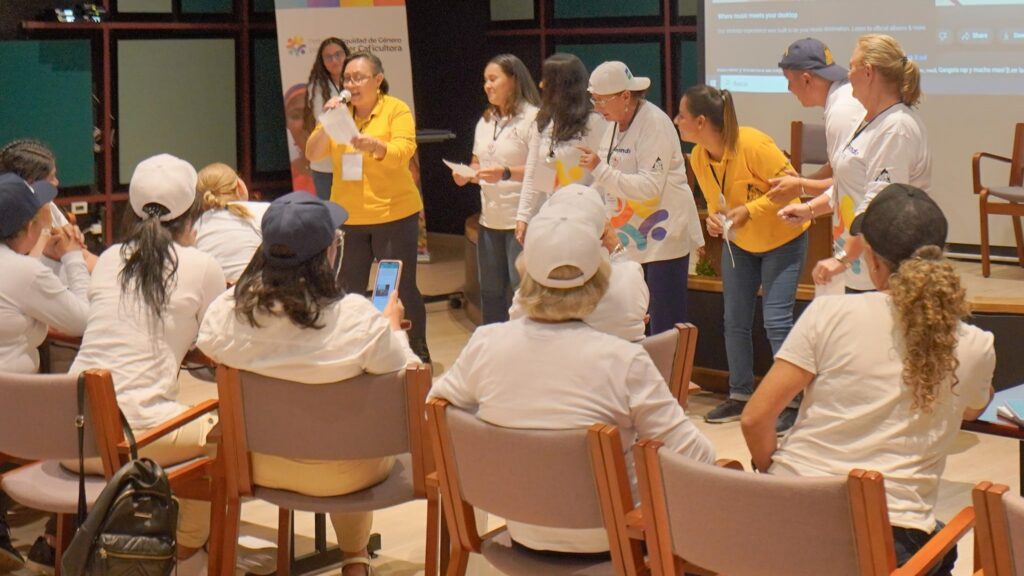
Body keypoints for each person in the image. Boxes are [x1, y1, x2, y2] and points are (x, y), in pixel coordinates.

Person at [429, 198, 714, 554]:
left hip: (520, 531)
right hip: (616, 540)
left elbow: (437, 409)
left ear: (524, 276)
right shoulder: (624, 361)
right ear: (601, 282)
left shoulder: (485, 344)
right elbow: (698, 456)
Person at [742, 184, 995, 576]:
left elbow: (755, 418)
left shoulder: (828, 314)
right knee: (942, 544)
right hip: (887, 534)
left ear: (873, 261)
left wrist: (773, 472)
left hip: (784, 514)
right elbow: (974, 408)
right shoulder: (974, 344)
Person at [198, 192, 418, 576]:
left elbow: (208, 345)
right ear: (329, 254)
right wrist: (394, 330)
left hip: (257, 465)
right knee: (357, 429)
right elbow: (408, 380)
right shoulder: (358, 320)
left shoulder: (227, 313)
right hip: (347, 474)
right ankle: (355, 559)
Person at [69, 154, 226, 563]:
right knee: (225, 436)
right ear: (192, 213)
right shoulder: (202, 265)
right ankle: (186, 554)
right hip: (128, 439)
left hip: (69, 435)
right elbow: (218, 341)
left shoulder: (108, 258)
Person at [676, 85, 808, 431]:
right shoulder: (698, 157)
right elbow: (717, 203)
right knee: (734, 320)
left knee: (776, 320)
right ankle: (740, 394)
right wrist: (714, 220)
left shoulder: (754, 145)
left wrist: (750, 210)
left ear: (701, 122)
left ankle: (793, 401)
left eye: (682, 115)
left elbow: (794, 188)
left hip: (783, 239)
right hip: (740, 245)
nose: (676, 121)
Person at [779, 34, 930, 292]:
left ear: (868, 73)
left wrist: (843, 259)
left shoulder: (895, 128)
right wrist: (811, 209)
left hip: (887, 273)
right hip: (861, 270)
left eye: (851, 67)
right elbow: (851, 184)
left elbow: (880, 206)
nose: (847, 76)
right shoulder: (871, 122)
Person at [306, 51, 430, 362]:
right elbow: (312, 153)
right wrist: (326, 121)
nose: (351, 84)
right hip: (349, 218)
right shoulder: (339, 113)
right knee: (348, 290)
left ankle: (415, 351)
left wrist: (375, 146)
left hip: (394, 213)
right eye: (347, 79)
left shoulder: (395, 109)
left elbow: (404, 150)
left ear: (378, 80)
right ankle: (355, 351)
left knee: (399, 288)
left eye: (358, 78)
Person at [0, 173, 89, 572]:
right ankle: (61, 541)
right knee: (92, 423)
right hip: (12, 414)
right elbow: (83, 319)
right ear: (28, 228)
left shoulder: (21, 268)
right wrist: (71, 257)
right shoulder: (24, 273)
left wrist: (45, 260)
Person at [578, 61, 704, 333]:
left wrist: (599, 169)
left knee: (665, 324)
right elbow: (606, 179)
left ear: (625, 96)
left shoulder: (654, 123)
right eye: (594, 100)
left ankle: (671, 365)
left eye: (601, 100)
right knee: (633, 320)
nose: (597, 108)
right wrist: (581, 201)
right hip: (629, 235)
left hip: (663, 236)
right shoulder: (613, 125)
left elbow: (649, 187)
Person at [452, 54, 540, 323]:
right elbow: (477, 161)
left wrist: (505, 172)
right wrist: (467, 174)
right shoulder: (486, 121)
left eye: (493, 79)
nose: (487, 86)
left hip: (521, 219)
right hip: (490, 219)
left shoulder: (533, 118)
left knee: (521, 290)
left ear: (513, 80)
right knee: (490, 291)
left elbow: (542, 171)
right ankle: (492, 341)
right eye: (485, 80)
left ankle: (525, 341)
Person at [509, 184, 650, 342]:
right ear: (603, 230)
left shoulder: (526, 299)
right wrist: (616, 248)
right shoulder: (630, 280)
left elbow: (515, 326)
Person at [515, 52, 609, 243]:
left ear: (564, 86)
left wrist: (577, 204)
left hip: (585, 220)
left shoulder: (594, 122)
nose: (541, 85)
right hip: (550, 218)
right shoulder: (543, 120)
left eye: (547, 80)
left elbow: (605, 176)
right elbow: (533, 172)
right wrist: (523, 216)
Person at [767, 38, 865, 203]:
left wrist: (801, 186)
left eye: (789, 80)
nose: (788, 88)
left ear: (806, 79)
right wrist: (803, 181)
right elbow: (836, 168)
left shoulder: (842, 111)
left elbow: (848, 184)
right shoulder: (842, 97)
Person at [0, 138, 99, 274]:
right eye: (51, 178)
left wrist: (73, 247)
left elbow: (85, 257)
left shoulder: (47, 206)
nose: (57, 182)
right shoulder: (8, 216)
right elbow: (26, 272)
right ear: (31, 183)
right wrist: (45, 231)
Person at [193, 162, 269, 283]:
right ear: (239, 186)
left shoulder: (196, 227)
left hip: (216, 293)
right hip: (256, 290)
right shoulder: (264, 211)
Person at [304, 37, 350, 200]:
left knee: (354, 206)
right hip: (326, 163)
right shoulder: (317, 87)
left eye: (338, 54)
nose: (334, 60)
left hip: (352, 158)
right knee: (331, 210)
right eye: (328, 57)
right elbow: (323, 120)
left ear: (347, 55)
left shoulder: (356, 83)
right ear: (322, 61)